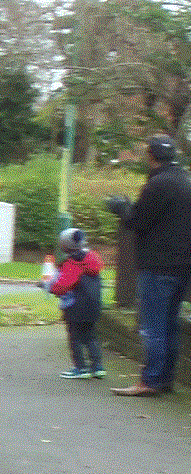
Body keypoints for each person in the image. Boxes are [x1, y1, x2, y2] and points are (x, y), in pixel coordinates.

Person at [107, 135, 191, 396]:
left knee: (154, 326)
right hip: (182, 267)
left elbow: (138, 221)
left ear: (151, 156)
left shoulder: (157, 184)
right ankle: (164, 378)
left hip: (157, 266)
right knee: (171, 325)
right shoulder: (186, 181)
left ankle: (149, 381)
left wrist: (121, 208)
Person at [46, 228, 105, 379]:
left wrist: (50, 287)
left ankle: (81, 368)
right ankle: (97, 367)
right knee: (91, 336)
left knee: (75, 337)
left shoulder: (73, 263)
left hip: (76, 307)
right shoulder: (93, 258)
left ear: (64, 246)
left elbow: (63, 285)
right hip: (93, 306)